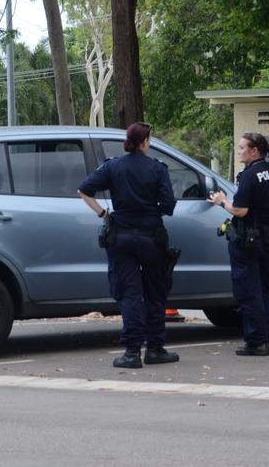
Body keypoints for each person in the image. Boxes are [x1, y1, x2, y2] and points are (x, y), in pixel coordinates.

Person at [78, 122, 178, 368]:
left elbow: (84, 190)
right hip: (151, 238)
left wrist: (104, 214)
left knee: (130, 295)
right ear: (144, 142)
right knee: (155, 293)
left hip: (120, 237)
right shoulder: (158, 169)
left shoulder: (113, 166)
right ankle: (155, 349)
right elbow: (168, 207)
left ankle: (132, 353)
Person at [208, 132, 269, 356]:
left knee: (249, 292)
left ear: (255, 151)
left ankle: (256, 342)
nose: (240, 151)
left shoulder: (249, 176)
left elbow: (240, 210)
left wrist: (221, 201)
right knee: (265, 290)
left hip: (248, 241)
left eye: (243, 148)